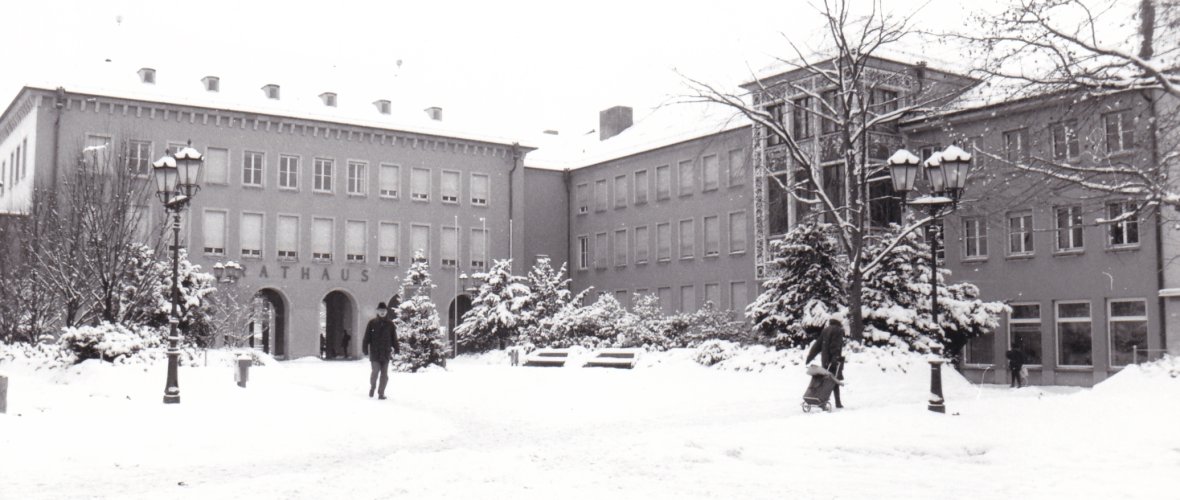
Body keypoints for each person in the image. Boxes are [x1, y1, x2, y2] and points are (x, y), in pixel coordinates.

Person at [805, 317, 845, 409]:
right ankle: (827, 402)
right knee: (832, 380)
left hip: (825, 360)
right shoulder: (838, 330)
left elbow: (817, 345)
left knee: (828, 380)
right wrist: (835, 358)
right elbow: (834, 346)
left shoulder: (826, 330)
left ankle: (833, 402)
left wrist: (809, 357)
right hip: (832, 359)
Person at [362, 302, 399, 399]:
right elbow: (366, 338)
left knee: (384, 375)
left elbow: (394, 338)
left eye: (384, 311)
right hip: (375, 353)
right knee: (375, 372)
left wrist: (397, 349)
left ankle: (381, 393)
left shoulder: (390, 324)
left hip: (386, 353)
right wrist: (365, 349)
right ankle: (373, 386)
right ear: (377, 311)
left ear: (386, 312)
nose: (382, 312)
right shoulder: (372, 323)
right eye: (380, 311)